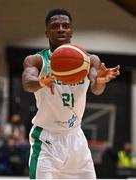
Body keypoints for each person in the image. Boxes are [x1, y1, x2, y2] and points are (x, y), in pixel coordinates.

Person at [22, 8, 120, 179]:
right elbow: (27, 84)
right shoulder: (37, 60)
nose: (61, 29)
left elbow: (96, 90)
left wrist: (99, 81)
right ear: (47, 32)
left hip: (76, 138)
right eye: (55, 26)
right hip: (46, 138)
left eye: (65, 26)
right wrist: (40, 82)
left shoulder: (90, 60)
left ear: (71, 31)